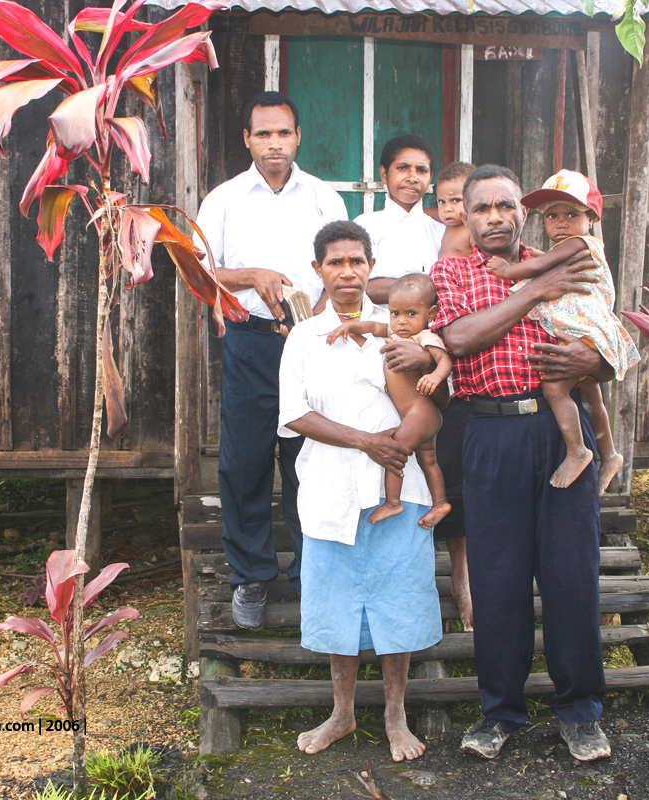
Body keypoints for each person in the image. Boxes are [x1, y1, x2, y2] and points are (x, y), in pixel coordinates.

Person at [431, 165, 617, 762]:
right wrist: (533, 291)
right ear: (464, 213)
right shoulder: (453, 271)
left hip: (557, 429)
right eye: (480, 208)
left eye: (505, 207)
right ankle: (500, 712)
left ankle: (581, 711)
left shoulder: (562, 255)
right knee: (498, 578)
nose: (494, 218)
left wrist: (591, 364)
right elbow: (460, 340)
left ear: (521, 212)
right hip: (489, 432)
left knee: (572, 573)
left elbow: (607, 340)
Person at [280, 221, 443, 762]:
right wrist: (365, 442)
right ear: (318, 271)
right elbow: (294, 414)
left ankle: (396, 715)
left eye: (356, 261)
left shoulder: (403, 333)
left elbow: (433, 395)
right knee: (336, 606)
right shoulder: (304, 337)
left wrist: (421, 362)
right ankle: (342, 713)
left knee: (396, 602)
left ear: (372, 267)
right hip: (331, 490)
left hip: (401, 488)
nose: (347, 272)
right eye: (335, 263)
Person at [195, 91, 348, 630]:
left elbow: (341, 270)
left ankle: (313, 575)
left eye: (283, 132)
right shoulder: (225, 200)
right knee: (243, 462)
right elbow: (198, 269)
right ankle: (251, 577)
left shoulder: (324, 199)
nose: (274, 143)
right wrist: (251, 276)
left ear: (298, 136)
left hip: (308, 343)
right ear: (247, 139)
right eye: (263, 134)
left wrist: (319, 322)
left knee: (309, 461)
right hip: (250, 341)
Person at [487, 170, 640, 494]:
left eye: (572, 214)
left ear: (591, 217)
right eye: (552, 215)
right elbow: (548, 260)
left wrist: (508, 269)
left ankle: (578, 450)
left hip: (583, 327)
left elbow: (536, 267)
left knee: (556, 387)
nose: (560, 222)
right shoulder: (574, 246)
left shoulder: (577, 243)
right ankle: (610, 453)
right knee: (588, 392)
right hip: (588, 328)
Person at [327, 273, 453, 528]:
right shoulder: (396, 333)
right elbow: (372, 327)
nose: (401, 321)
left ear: (430, 314)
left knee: (395, 452)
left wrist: (435, 377)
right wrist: (350, 326)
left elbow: (444, 360)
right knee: (428, 460)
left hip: (421, 414)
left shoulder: (423, 338)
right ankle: (441, 503)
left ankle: (393, 503)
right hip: (418, 416)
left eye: (410, 314)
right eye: (395, 313)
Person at [355, 134, 446, 305]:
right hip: (375, 327)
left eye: (422, 170)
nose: (412, 177)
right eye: (403, 168)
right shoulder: (365, 225)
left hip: (433, 330)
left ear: (431, 177)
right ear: (384, 174)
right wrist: (430, 287)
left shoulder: (442, 230)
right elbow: (360, 287)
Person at [435, 162, 475, 259]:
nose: (447, 209)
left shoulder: (472, 230)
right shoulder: (448, 225)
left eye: (456, 200)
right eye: (442, 201)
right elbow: (424, 212)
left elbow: (483, 260)